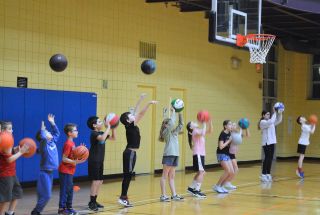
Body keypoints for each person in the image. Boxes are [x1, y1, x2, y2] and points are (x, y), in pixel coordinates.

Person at [118, 93, 158, 207]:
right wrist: (149, 104)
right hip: (129, 153)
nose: (133, 115)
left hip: (131, 153)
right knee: (128, 176)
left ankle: (123, 196)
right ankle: (123, 197)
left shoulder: (130, 125)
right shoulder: (130, 125)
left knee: (128, 176)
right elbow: (140, 113)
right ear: (128, 120)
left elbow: (135, 112)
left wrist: (140, 99)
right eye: (130, 115)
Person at [31, 114, 60, 215]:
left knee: (42, 194)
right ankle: (36, 211)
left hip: (50, 173)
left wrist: (52, 123)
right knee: (47, 196)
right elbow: (43, 138)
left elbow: (57, 133)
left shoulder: (52, 141)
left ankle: (37, 211)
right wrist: (43, 129)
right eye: (47, 132)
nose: (50, 133)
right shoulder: (44, 145)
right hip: (44, 173)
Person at [87, 116, 116, 211]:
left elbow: (113, 138)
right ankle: (91, 202)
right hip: (94, 160)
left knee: (100, 181)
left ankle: (95, 200)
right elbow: (102, 138)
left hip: (100, 160)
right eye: (99, 122)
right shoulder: (94, 133)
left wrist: (113, 128)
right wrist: (108, 127)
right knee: (95, 181)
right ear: (94, 125)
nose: (101, 123)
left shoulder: (101, 133)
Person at [0, 121, 29, 215]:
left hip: (12, 173)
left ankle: (10, 212)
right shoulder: (3, 140)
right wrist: (21, 152)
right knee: (5, 199)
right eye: (9, 128)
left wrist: (15, 149)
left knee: (16, 193)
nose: (12, 130)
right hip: (5, 174)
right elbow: (8, 160)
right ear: (3, 130)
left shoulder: (8, 139)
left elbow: (7, 153)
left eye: (11, 128)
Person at [58, 123, 86, 215]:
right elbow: (64, 158)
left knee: (70, 190)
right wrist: (76, 162)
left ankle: (69, 207)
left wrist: (80, 153)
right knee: (65, 190)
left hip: (70, 171)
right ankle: (62, 209)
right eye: (75, 130)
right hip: (65, 171)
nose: (77, 131)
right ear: (70, 133)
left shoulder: (73, 143)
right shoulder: (68, 144)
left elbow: (73, 156)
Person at [159, 107, 184, 202]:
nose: (170, 124)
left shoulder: (174, 132)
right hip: (168, 154)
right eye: (167, 123)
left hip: (175, 155)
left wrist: (179, 113)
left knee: (172, 176)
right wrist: (173, 112)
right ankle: (163, 195)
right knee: (164, 176)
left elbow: (181, 125)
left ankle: (174, 195)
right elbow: (172, 123)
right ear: (165, 125)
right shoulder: (165, 132)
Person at [186, 118, 212, 198]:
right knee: (201, 172)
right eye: (192, 122)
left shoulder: (197, 131)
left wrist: (210, 123)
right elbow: (203, 132)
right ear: (191, 127)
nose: (194, 122)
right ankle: (197, 190)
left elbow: (209, 131)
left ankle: (191, 188)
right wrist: (204, 123)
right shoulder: (195, 131)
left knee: (200, 172)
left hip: (200, 154)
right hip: (198, 154)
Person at [258, 108, 283, 182]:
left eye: (269, 114)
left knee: (270, 158)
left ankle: (268, 173)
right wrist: (275, 112)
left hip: (272, 142)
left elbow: (279, 120)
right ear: (263, 115)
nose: (268, 115)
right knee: (267, 158)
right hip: (266, 143)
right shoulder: (262, 122)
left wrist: (280, 113)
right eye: (267, 114)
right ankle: (263, 174)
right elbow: (271, 121)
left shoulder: (270, 122)